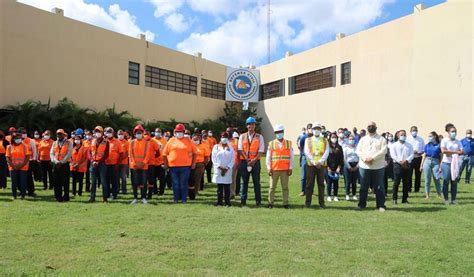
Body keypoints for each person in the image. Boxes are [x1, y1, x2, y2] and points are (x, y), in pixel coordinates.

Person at [355, 121, 388, 212]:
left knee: (379, 187)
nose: (371, 127)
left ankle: (380, 205)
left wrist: (372, 158)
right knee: (363, 187)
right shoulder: (363, 139)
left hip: (378, 166)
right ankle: (361, 205)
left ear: (376, 127)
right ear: (367, 128)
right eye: (369, 126)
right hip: (364, 166)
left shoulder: (382, 139)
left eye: (372, 126)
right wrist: (365, 158)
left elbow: (383, 151)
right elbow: (358, 150)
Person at [163, 123, 197, 204]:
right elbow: (164, 154)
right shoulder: (171, 141)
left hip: (185, 167)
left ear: (183, 131)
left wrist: (193, 163)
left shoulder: (189, 141)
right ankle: (176, 198)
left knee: (183, 183)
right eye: (178, 131)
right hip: (173, 167)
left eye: (181, 131)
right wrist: (166, 164)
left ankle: (184, 199)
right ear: (175, 132)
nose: (179, 133)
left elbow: (195, 153)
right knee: (175, 183)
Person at [238, 117, 265, 207]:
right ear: (247, 126)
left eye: (253, 124)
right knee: (244, 182)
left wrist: (254, 160)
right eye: (249, 124)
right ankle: (243, 200)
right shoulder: (242, 136)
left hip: (255, 162)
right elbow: (240, 149)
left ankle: (258, 200)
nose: (251, 126)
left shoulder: (259, 137)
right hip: (244, 161)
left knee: (256, 182)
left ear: (255, 125)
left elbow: (261, 150)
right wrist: (247, 159)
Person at [266, 124, 293, 209]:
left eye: (280, 132)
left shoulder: (288, 143)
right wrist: (269, 168)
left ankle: (285, 203)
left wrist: (291, 167)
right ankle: (270, 203)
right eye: (277, 132)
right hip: (274, 169)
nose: (279, 133)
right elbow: (268, 157)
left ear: (283, 132)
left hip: (285, 169)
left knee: (285, 187)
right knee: (272, 187)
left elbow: (291, 156)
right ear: (275, 133)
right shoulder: (271, 144)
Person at [304, 122, 329, 209]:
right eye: (315, 129)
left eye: (318, 129)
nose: (316, 130)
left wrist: (320, 162)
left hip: (321, 165)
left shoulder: (325, 140)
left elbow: (326, 152)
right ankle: (308, 202)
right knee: (309, 184)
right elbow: (306, 152)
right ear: (312, 130)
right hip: (311, 165)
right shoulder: (308, 140)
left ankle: (322, 202)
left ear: (321, 130)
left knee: (321, 184)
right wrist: (314, 162)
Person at [440, 124, 463, 205]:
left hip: (455, 164)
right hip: (446, 163)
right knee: (446, 180)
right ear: (448, 132)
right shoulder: (444, 140)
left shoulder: (458, 141)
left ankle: (453, 199)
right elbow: (443, 151)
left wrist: (451, 153)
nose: (454, 133)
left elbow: (462, 151)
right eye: (452, 131)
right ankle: (446, 199)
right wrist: (456, 152)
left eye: (455, 131)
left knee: (454, 181)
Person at [390, 130, 414, 204]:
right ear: (398, 136)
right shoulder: (394, 145)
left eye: (404, 135)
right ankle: (394, 199)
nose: (403, 136)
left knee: (406, 183)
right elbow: (393, 155)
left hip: (407, 164)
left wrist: (406, 161)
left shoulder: (409, 145)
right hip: (397, 165)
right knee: (396, 182)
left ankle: (405, 199)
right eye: (401, 135)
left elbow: (412, 155)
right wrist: (400, 161)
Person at [212, 132, 235, 207]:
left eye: (225, 137)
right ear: (220, 138)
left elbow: (233, 159)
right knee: (219, 187)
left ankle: (227, 202)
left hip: (227, 170)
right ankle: (219, 202)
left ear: (228, 138)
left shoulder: (230, 148)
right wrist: (220, 167)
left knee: (227, 187)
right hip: (219, 170)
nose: (224, 138)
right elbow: (213, 158)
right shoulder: (216, 147)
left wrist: (227, 168)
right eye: (222, 137)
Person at [129, 125, 151, 204]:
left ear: (142, 133)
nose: (139, 134)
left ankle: (143, 197)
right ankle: (135, 197)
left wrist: (143, 163)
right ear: (135, 134)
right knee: (134, 182)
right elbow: (130, 154)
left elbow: (148, 154)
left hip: (144, 166)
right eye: (137, 133)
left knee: (144, 182)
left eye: (140, 132)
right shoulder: (131, 142)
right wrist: (133, 163)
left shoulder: (147, 143)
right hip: (134, 166)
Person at [6, 132, 31, 200]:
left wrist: (21, 165)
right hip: (12, 167)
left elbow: (27, 156)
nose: (18, 139)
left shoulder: (24, 146)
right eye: (16, 138)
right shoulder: (9, 147)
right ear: (13, 139)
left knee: (22, 181)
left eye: (19, 138)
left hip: (23, 167)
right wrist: (13, 165)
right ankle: (14, 195)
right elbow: (7, 157)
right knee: (14, 182)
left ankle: (23, 195)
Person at [50, 129, 73, 202]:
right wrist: (56, 161)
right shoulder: (54, 143)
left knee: (65, 182)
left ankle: (66, 196)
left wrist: (62, 162)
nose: (58, 135)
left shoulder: (69, 143)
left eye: (60, 134)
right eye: (57, 134)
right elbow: (51, 154)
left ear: (63, 134)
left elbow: (69, 154)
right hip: (56, 164)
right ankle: (58, 197)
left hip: (64, 164)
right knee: (56, 181)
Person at [88, 126, 109, 203]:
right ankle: (92, 197)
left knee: (103, 182)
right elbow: (89, 152)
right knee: (93, 182)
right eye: (96, 131)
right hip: (93, 164)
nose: (97, 133)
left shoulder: (106, 142)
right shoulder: (92, 141)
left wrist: (98, 162)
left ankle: (105, 198)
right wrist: (92, 161)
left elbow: (106, 154)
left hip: (102, 164)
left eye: (99, 131)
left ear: (102, 132)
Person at [420, 131, 442, 199]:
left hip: (436, 162)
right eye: (429, 136)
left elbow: (441, 156)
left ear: (435, 136)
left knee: (437, 179)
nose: (429, 138)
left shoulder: (439, 145)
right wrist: (421, 165)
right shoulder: (427, 145)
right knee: (427, 180)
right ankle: (427, 195)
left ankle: (439, 194)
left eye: (430, 136)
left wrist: (440, 165)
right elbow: (424, 155)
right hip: (427, 161)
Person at [104, 127, 124, 200]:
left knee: (114, 181)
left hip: (114, 165)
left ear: (113, 133)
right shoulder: (103, 141)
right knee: (106, 180)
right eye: (107, 132)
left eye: (110, 132)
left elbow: (121, 154)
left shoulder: (117, 142)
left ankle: (114, 194)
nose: (108, 133)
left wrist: (117, 164)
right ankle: (107, 194)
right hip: (105, 164)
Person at [188, 133, 209, 200]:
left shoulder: (203, 146)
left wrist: (204, 164)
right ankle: (188, 192)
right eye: (194, 139)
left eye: (197, 139)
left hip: (199, 164)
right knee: (189, 179)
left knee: (197, 179)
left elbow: (206, 156)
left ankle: (195, 192)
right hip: (189, 164)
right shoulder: (189, 145)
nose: (196, 140)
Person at [19, 127, 37, 196]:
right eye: (22, 132)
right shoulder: (17, 140)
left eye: (25, 132)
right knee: (20, 177)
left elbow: (34, 150)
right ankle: (21, 190)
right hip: (19, 162)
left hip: (29, 161)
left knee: (29, 177)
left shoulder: (31, 140)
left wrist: (34, 159)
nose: (24, 134)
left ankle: (31, 191)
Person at [326, 132, 343, 202]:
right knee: (329, 183)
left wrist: (339, 167)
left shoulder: (339, 147)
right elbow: (326, 158)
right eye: (332, 137)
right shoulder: (327, 147)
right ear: (330, 138)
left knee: (336, 183)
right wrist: (328, 168)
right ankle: (329, 196)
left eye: (335, 137)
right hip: (329, 167)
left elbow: (341, 158)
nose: (334, 138)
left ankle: (335, 196)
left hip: (337, 167)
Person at [406, 126, 424, 193]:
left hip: (418, 158)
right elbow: (406, 148)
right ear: (410, 131)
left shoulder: (421, 139)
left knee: (418, 175)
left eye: (415, 130)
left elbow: (423, 149)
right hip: (410, 159)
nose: (414, 132)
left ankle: (417, 189)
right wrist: (412, 152)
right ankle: (409, 188)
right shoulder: (407, 138)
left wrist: (420, 152)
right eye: (413, 130)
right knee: (409, 175)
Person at [298, 123, 312, 197]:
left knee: (311, 176)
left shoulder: (314, 138)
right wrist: (302, 156)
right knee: (304, 176)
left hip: (312, 159)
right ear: (307, 129)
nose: (311, 129)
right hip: (305, 158)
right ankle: (303, 191)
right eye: (309, 128)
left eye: (312, 128)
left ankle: (310, 191)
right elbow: (301, 146)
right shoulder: (304, 138)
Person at [343, 134, 359, 201]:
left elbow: (360, 158)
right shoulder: (345, 148)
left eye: (352, 139)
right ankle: (347, 194)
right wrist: (349, 167)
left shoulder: (357, 148)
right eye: (350, 139)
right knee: (348, 181)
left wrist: (357, 166)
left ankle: (354, 194)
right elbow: (344, 158)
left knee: (354, 181)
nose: (351, 140)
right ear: (347, 140)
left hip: (356, 165)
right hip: (348, 165)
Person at [153, 128, 168, 195]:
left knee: (162, 179)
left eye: (159, 132)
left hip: (161, 163)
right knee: (153, 179)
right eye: (156, 132)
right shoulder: (152, 140)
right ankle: (155, 191)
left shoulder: (165, 141)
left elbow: (167, 152)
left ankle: (161, 192)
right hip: (153, 163)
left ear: (161, 133)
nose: (157, 133)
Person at [117, 129, 129, 194]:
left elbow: (127, 153)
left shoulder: (126, 142)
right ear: (117, 135)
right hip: (116, 163)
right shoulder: (115, 142)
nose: (120, 135)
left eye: (121, 134)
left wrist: (120, 159)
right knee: (117, 177)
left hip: (124, 163)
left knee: (123, 177)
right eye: (119, 134)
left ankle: (124, 190)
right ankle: (118, 189)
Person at [230, 131, 241, 198]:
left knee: (232, 178)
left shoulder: (232, 142)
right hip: (236, 162)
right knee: (236, 179)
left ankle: (232, 193)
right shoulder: (238, 141)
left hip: (233, 162)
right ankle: (234, 192)